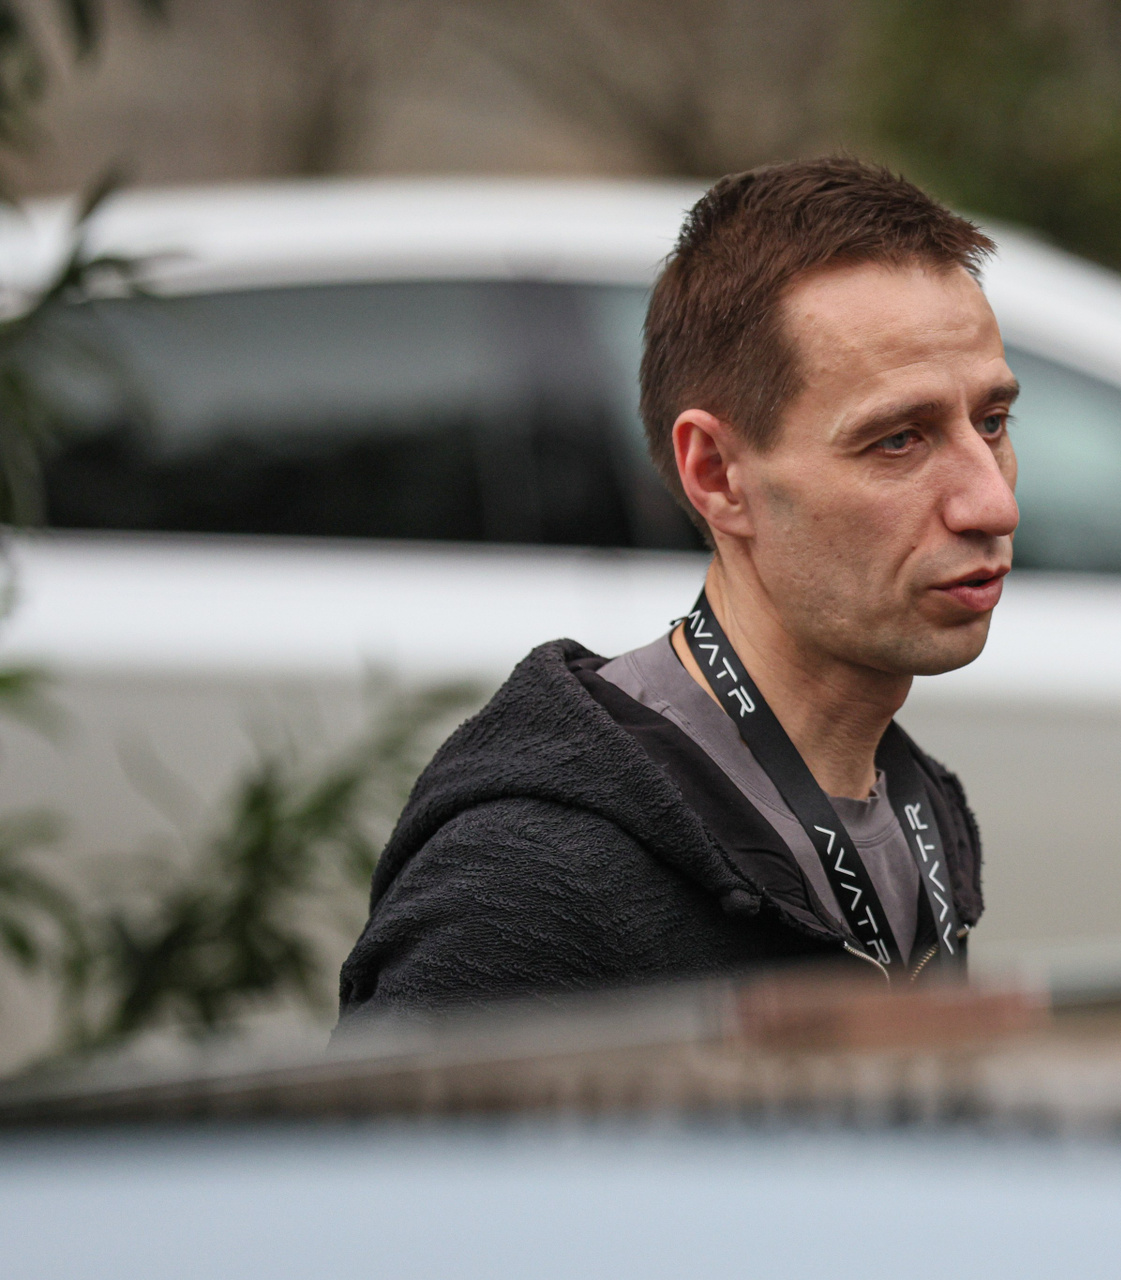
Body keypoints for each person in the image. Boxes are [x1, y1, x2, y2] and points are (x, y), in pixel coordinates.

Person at [335, 157, 1019, 1025]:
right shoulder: (532, 880)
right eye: (898, 441)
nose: (993, 503)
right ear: (718, 474)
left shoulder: (914, 806)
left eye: (992, 422)